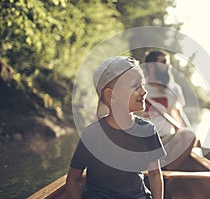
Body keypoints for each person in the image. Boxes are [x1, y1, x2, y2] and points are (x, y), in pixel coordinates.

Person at [65, 56, 166, 199]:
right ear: (110, 95)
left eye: (142, 85)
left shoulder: (147, 130)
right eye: (135, 86)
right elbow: (73, 179)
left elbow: (155, 174)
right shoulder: (92, 135)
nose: (144, 91)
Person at [142, 50, 197, 170]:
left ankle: (166, 173)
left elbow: (178, 115)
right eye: (164, 62)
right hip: (143, 141)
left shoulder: (174, 89)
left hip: (166, 140)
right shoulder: (138, 87)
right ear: (151, 66)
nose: (168, 66)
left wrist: (194, 140)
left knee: (189, 135)